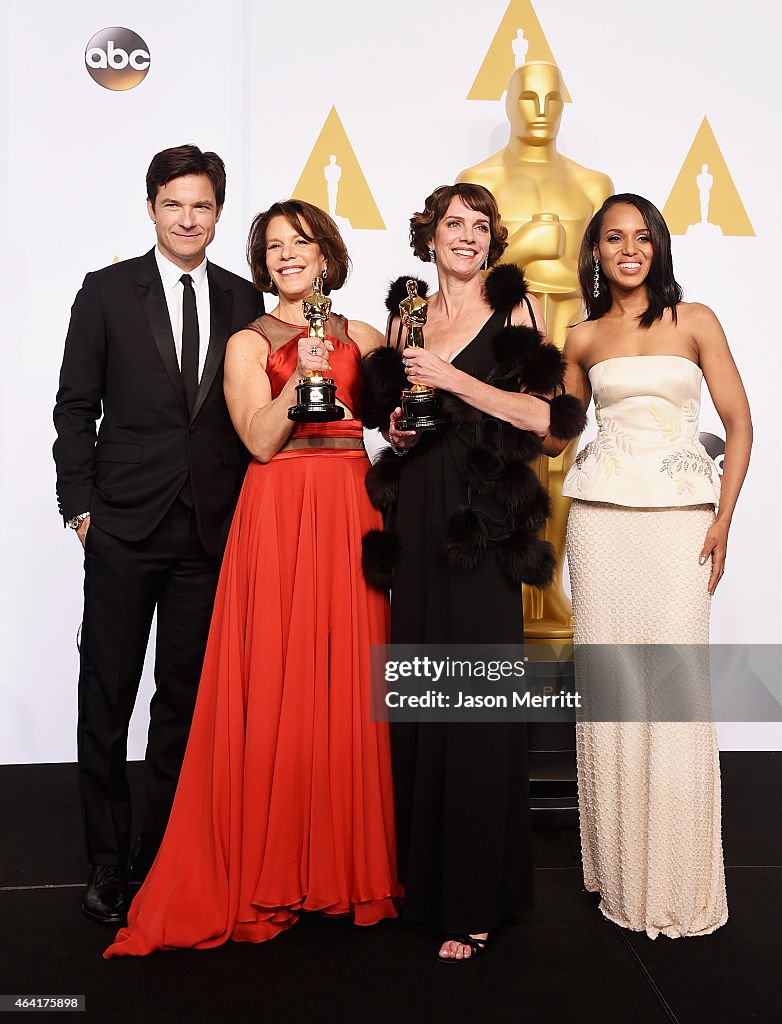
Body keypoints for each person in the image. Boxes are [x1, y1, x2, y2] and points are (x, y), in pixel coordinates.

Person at [104, 200, 399, 956]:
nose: (287, 256)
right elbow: (258, 443)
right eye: (273, 249)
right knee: (278, 685)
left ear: (327, 254)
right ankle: (270, 863)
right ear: (263, 265)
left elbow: (387, 426)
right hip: (278, 512)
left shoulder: (366, 337)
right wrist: (294, 379)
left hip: (349, 513)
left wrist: (396, 421)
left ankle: (344, 870)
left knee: (347, 689)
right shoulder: (247, 342)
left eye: (300, 243)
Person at [360, 183, 586, 962]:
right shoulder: (407, 315)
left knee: (479, 700)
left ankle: (475, 899)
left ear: (493, 239)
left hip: (483, 520)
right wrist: (396, 427)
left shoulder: (515, 312)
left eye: (480, 225)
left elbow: (546, 420)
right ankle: (422, 887)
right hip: (419, 507)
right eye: (454, 224)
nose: (468, 236)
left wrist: (454, 380)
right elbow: (402, 421)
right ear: (429, 235)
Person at [53, 145, 263, 925]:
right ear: (151, 208)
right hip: (120, 528)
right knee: (104, 699)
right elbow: (75, 408)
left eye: (202, 206)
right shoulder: (106, 292)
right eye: (174, 204)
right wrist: (80, 508)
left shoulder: (246, 302)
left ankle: (160, 855)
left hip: (207, 534)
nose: (187, 219)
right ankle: (107, 863)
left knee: (182, 703)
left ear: (218, 213)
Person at [557, 193, 752, 938]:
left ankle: (676, 879)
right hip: (601, 525)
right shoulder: (579, 337)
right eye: (614, 238)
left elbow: (739, 424)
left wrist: (725, 518)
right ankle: (621, 873)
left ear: (657, 248)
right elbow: (559, 437)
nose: (629, 248)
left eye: (641, 237)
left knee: (672, 693)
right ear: (597, 253)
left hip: (680, 525)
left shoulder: (695, 320)